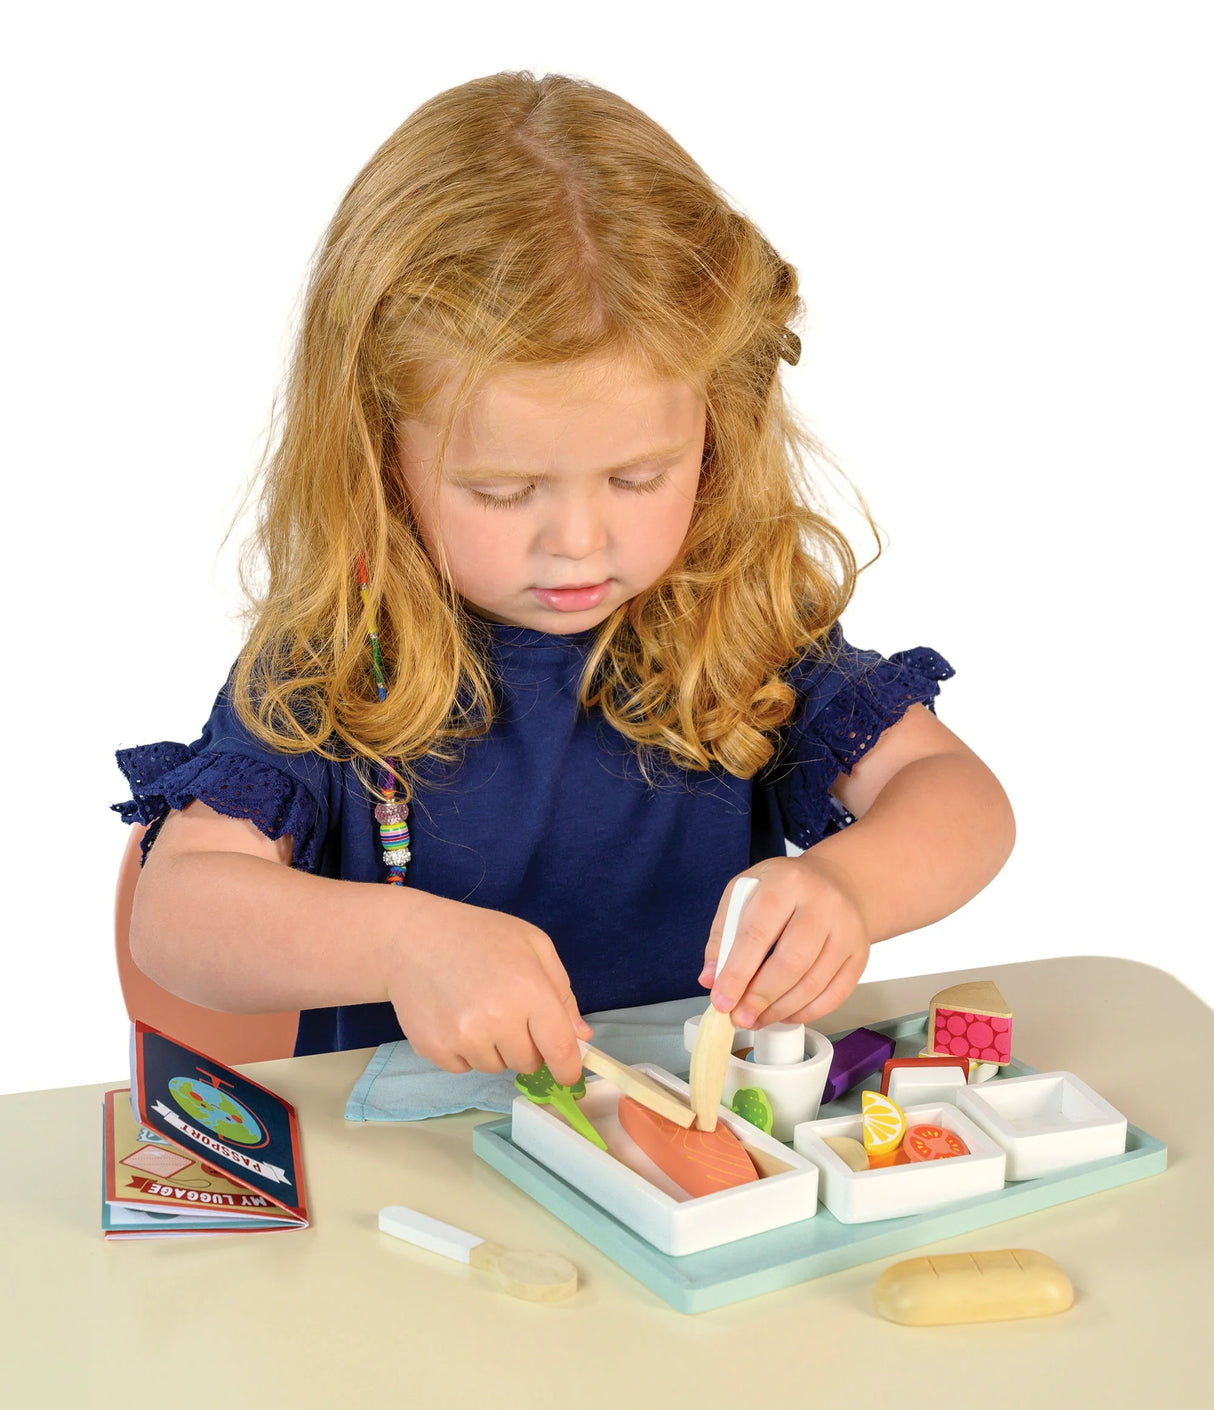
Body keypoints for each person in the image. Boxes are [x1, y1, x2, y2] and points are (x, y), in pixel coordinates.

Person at [114, 72, 1015, 1090]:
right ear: (378, 452)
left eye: (638, 477)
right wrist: (402, 942)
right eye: (502, 490)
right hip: (423, 1185)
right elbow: (178, 913)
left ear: (715, 434)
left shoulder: (732, 619)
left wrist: (847, 885)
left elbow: (957, 797)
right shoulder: (337, 660)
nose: (578, 544)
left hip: (687, 1166)